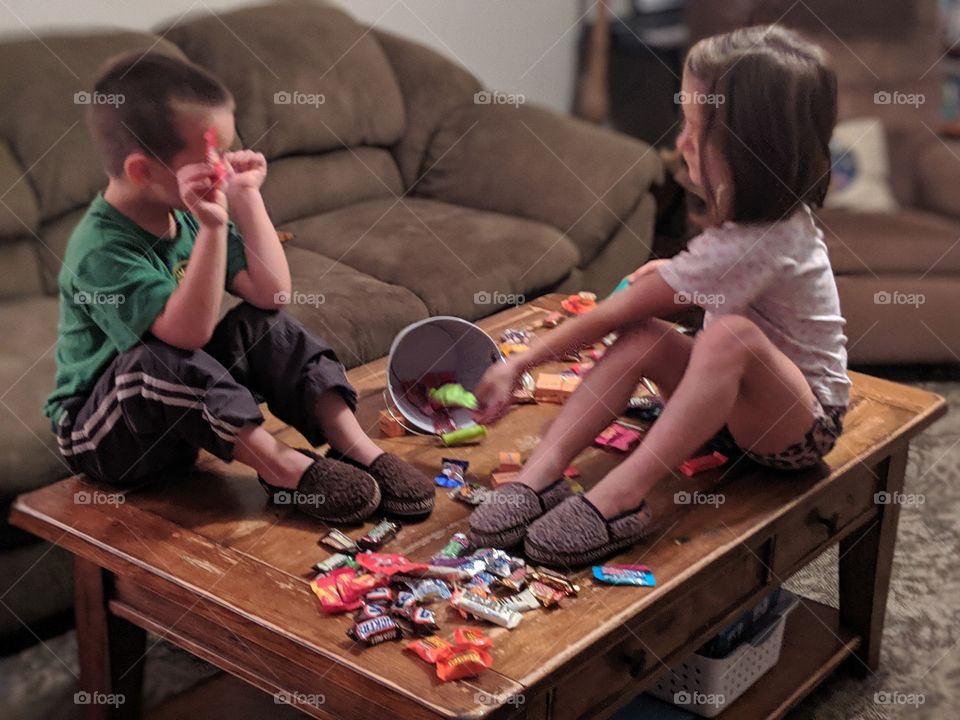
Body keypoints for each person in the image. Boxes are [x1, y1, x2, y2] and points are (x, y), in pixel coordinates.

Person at [468, 25, 850, 566]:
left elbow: (616, 311)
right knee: (648, 337)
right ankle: (540, 475)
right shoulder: (756, 226)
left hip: (797, 430)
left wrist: (520, 361)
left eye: (697, 129)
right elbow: (691, 292)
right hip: (728, 417)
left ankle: (621, 496)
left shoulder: (763, 240)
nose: (681, 143)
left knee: (728, 338)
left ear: (750, 149)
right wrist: (674, 272)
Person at [44, 52, 434, 523]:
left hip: (183, 413)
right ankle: (284, 469)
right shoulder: (99, 250)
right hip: (106, 437)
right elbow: (183, 337)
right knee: (156, 359)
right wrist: (211, 230)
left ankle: (356, 447)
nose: (222, 169)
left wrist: (247, 198)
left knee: (264, 325)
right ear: (143, 172)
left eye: (225, 153)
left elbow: (271, 294)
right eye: (209, 158)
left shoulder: (184, 210)